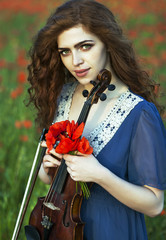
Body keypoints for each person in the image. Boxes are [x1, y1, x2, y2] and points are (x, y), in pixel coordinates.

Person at [27, 0, 166, 239]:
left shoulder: (139, 113)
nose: (76, 61)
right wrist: (46, 168)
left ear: (108, 43)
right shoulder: (63, 97)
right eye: (65, 51)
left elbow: (154, 205)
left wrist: (99, 174)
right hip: (62, 230)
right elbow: (50, 181)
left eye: (85, 46)